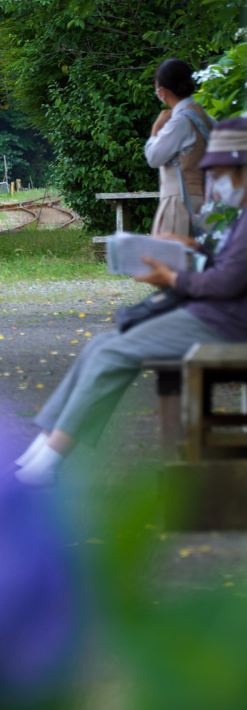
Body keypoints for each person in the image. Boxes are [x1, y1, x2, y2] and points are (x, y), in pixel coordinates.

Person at [16, 116, 247, 486]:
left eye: (221, 172)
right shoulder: (242, 215)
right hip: (218, 317)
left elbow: (228, 281)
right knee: (102, 344)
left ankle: (45, 466)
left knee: (111, 353)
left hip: (226, 325)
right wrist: (194, 248)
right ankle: (39, 451)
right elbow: (233, 267)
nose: (217, 182)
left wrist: (171, 277)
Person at [145, 58, 215, 236]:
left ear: (163, 90)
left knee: (171, 261)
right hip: (205, 202)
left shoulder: (180, 121)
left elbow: (153, 157)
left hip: (180, 203)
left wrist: (156, 128)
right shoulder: (206, 118)